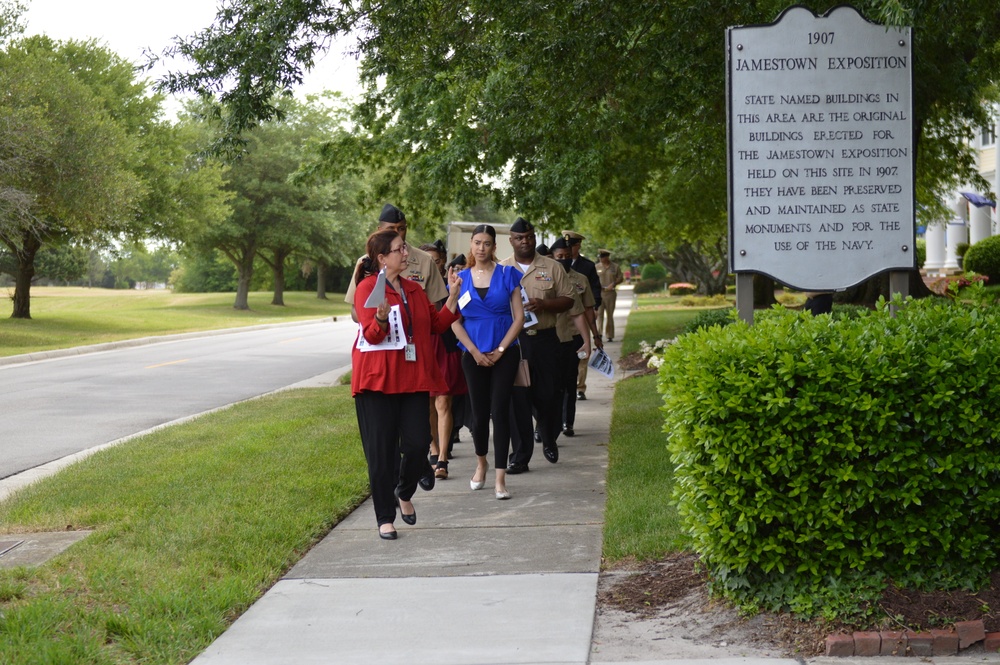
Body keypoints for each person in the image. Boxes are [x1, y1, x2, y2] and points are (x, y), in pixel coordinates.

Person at [351, 229, 462, 540]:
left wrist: (452, 295)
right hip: (377, 380)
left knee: (416, 445)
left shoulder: (414, 289)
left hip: (412, 378)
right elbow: (371, 335)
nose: (406, 254)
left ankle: (404, 490)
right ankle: (385, 518)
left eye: (405, 249)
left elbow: (437, 326)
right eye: (400, 250)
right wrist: (382, 319)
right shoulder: (368, 289)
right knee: (381, 452)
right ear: (383, 258)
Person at [451, 225, 525, 499]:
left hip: (504, 353)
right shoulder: (459, 279)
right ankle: (481, 463)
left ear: (495, 247)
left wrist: (502, 348)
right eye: (477, 242)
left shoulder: (508, 275)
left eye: (487, 243)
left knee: (500, 410)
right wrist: (474, 351)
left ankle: (500, 478)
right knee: (480, 414)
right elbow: (455, 322)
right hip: (473, 355)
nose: (481, 248)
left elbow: (519, 318)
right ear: (471, 245)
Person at [501, 217, 575, 472]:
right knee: (517, 398)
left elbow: (568, 300)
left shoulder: (553, 267)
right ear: (511, 241)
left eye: (530, 236)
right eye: (520, 238)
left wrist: (544, 304)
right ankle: (520, 456)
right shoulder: (502, 269)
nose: (525, 241)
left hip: (545, 339)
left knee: (550, 394)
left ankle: (549, 436)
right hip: (515, 342)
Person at [345, 204, 448, 322]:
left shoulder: (426, 260)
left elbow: (436, 305)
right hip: (379, 333)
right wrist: (380, 322)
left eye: (401, 228)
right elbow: (355, 310)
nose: (397, 233)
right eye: (391, 229)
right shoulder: (366, 262)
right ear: (380, 230)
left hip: (415, 334)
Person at [419, 242, 468, 480]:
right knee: (427, 403)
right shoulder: (413, 285)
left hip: (446, 346)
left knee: (443, 402)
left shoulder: (452, 286)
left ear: (442, 262)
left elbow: (460, 314)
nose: (432, 264)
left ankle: (442, 458)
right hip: (423, 348)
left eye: (436, 261)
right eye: (427, 260)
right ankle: (433, 447)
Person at [550, 238, 599, 438]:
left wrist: (595, 336)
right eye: (559, 257)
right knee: (551, 384)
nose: (564, 260)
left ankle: (567, 422)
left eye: (567, 257)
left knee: (570, 383)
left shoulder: (581, 279)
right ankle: (544, 424)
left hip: (573, 337)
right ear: (552, 257)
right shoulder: (545, 278)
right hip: (550, 337)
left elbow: (587, 309)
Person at [562, 230, 601, 401]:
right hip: (562, 322)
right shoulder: (555, 265)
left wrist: (596, 306)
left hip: (582, 318)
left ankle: (580, 386)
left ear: (578, 246)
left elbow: (594, 288)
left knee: (581, 356)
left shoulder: (587, 266)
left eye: (572, 246)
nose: (569, 250)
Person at [595, 249, 624, 342]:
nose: (600, 259)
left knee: (610, 315)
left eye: (602, 257)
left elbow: (620, 278)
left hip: (610, 293)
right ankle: (599, 333)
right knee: (599, 314)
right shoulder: (596, 267)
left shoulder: (615, 267)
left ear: (607, 257)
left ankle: (610, 335)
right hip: (600, 293)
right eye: (600, 257)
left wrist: (614, 283)